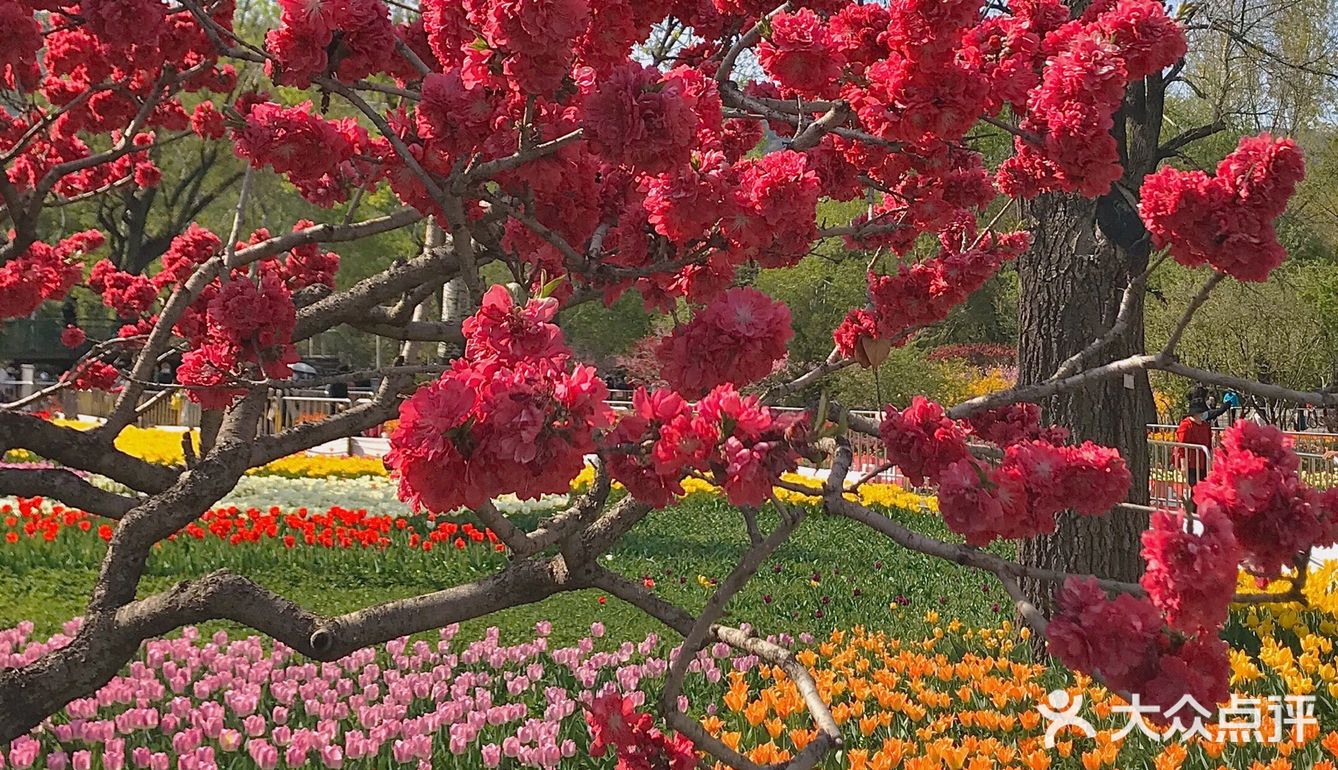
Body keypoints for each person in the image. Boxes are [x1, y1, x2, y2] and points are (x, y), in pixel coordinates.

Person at [1173, 399, 1226, 511]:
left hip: (1203, 462)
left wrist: (1210, 460)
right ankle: (1191, 511)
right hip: (1190, 462)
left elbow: (1208, 445)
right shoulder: (1186, 425)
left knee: (1201, 488)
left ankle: (1195, 511)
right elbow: (1181, 446)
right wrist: (1183, 464)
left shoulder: (1205, 426)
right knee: (1196, 488)